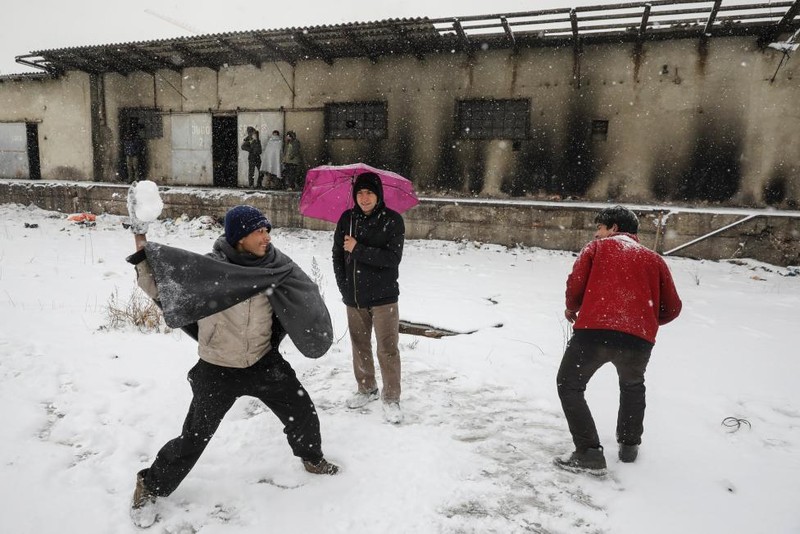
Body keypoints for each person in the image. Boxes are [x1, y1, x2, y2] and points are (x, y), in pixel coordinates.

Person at [126, 201, 338, 528]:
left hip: (263, 363)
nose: (266, 236)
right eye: (258, 231)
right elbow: (161, 286)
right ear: (239, 236)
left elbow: (299, 297)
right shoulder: (210, 271)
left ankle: (311, 458)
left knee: (302, 412)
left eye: (267, 230)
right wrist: (141, 244)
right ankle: (150, 485)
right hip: (217, 369)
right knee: (193, 438)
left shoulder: (276, 268)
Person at [555, 205, 682, 474]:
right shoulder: (655, 260)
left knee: (569, 384)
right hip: (638, 341)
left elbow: (576, 283)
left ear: (614, 228)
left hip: (593, 334)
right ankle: (629, 447)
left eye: (600, 227)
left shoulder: (596, 249)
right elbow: (672, 308)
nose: (597, 233)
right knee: (632, 386)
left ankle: (589, 452)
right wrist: (640, 322)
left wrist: (572, 307)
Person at [332, 172, 405, 424]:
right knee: (360, 346)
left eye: (369, 193)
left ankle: (392, 398)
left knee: (387, 349)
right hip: (355, 297)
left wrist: (358, 249)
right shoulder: (347, 219)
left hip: (385, 298)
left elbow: (391, 259)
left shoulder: (393, 221)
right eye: (360, 193)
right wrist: (344, 287)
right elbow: (337, 256)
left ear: (378, 195)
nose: (364, 198)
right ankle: (367, 388)